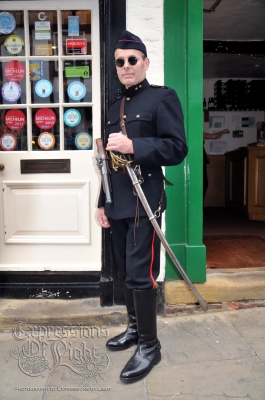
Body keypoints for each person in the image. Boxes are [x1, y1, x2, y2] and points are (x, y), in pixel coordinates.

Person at [97, 30, 188, 383]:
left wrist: (135, 145)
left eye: (132, 59)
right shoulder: (112, 108)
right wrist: (101, 203)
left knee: (140, 273)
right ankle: (134, 329)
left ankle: (150, 347)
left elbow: (177, 149)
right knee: (123, 271)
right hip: (117, 202)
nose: (125, 66)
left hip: (144, 202)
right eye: (120, 61)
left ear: (145, 63)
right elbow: (105, 163)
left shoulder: (162, 98)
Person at [203, 129, 230, 201]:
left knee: (204, 183)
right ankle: (200, 207)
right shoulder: (195, 131)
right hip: (199, 160)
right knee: (204, 184)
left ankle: (200, 206)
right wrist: (223, 132)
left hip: (200, 159)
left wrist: (205, 155)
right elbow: (213, 136)